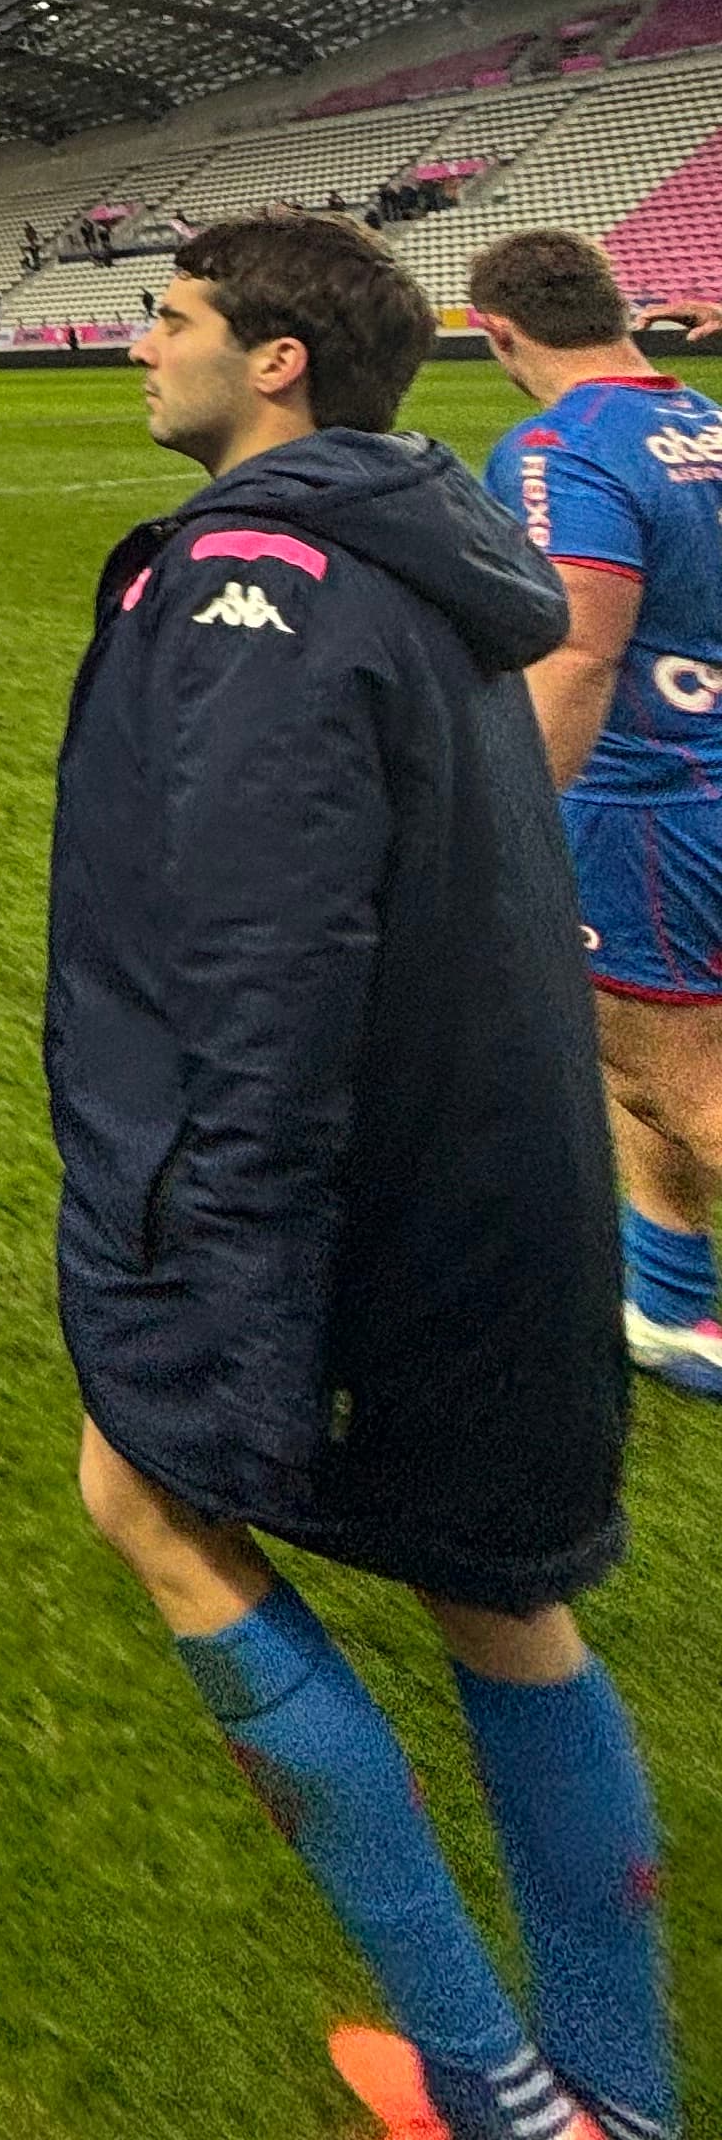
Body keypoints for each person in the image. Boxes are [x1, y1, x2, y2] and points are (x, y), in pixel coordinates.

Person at [48, 217, 668, 2140]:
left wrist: (223, 1257)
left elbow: (264, 961)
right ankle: (617, 2097)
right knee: (501, 1602)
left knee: (144, 1502)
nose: (137, 348)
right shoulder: (427, 540)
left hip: (361, 1184)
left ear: (276, 359)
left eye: (166, 318)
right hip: (507, 1170)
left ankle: (494, 2093)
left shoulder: (249, 579)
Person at [470, 225, 722, 1400]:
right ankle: (668, 1303)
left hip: (644, 809)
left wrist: (503, 808)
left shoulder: (557, 446)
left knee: (674, 1075)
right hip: (704, 780)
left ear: (496, 333)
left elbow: (577, 649)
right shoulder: (706, 420)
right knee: (665, 1056)